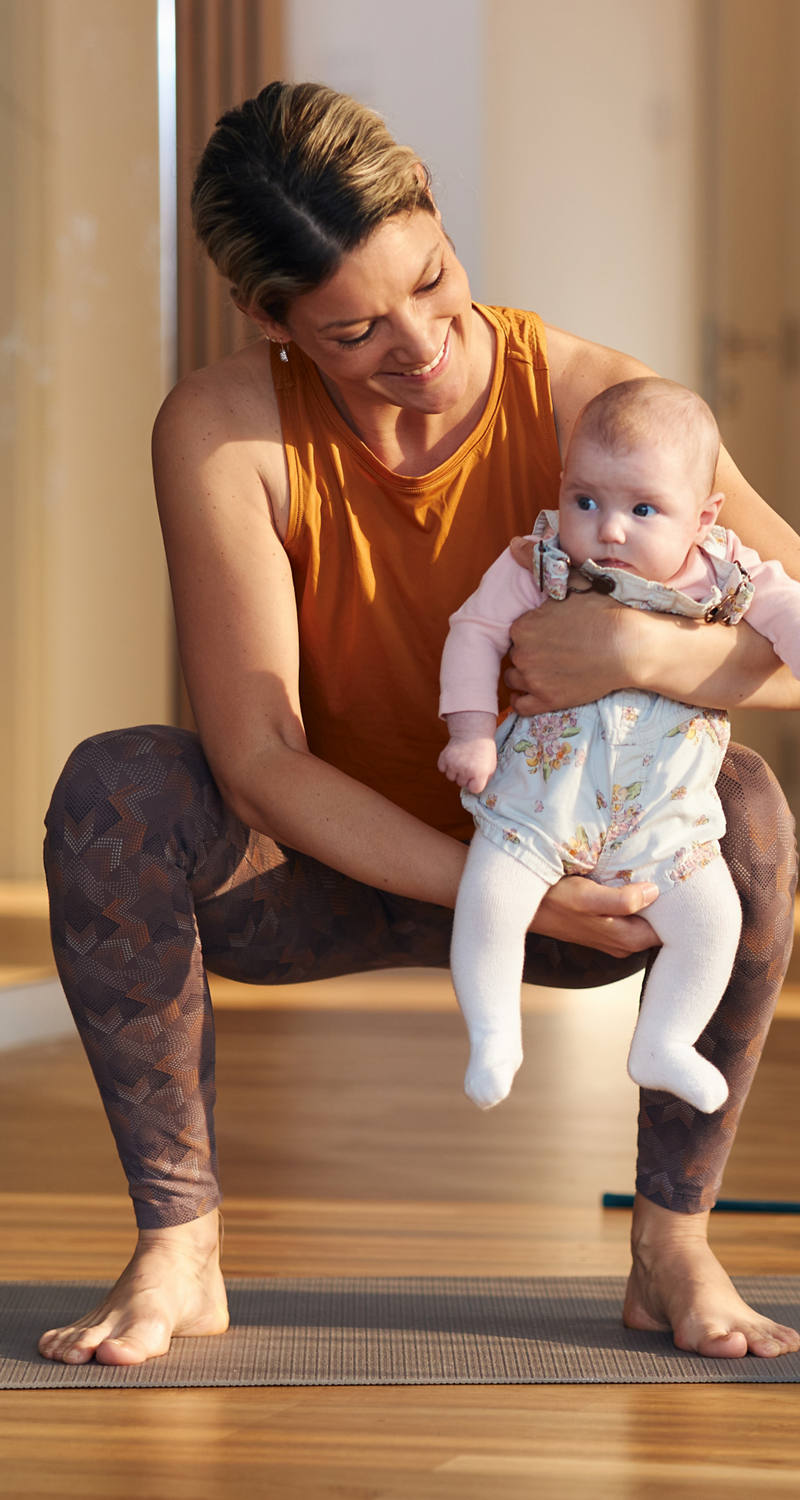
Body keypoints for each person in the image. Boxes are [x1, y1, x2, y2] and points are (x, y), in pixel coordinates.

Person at [38, 81, 800, 1367]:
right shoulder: (224, 431)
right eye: (349, 334)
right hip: (325, 871)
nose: (419, 347)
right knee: (119, 791)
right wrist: (501, 892)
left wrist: (642, 649)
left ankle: (671, 1244)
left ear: (436, 209)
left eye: (431, 280)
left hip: (583, 858)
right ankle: (181, 1246)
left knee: (746, 816)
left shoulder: (600, 409)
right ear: (267, 321)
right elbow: (259, 759)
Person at [439, 375, 800, 1116]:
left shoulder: (728, 572)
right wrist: (470, 730)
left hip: (664, 824)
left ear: (702, 517)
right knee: (490, 899)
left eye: (643, 509)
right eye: (586, 501)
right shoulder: (536, 562)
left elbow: (789, 606)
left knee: (714, 924)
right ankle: (493, 1031)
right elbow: (472, 632)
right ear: (563, 488)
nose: (608, 530)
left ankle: (664, 1041)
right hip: (540, 805)